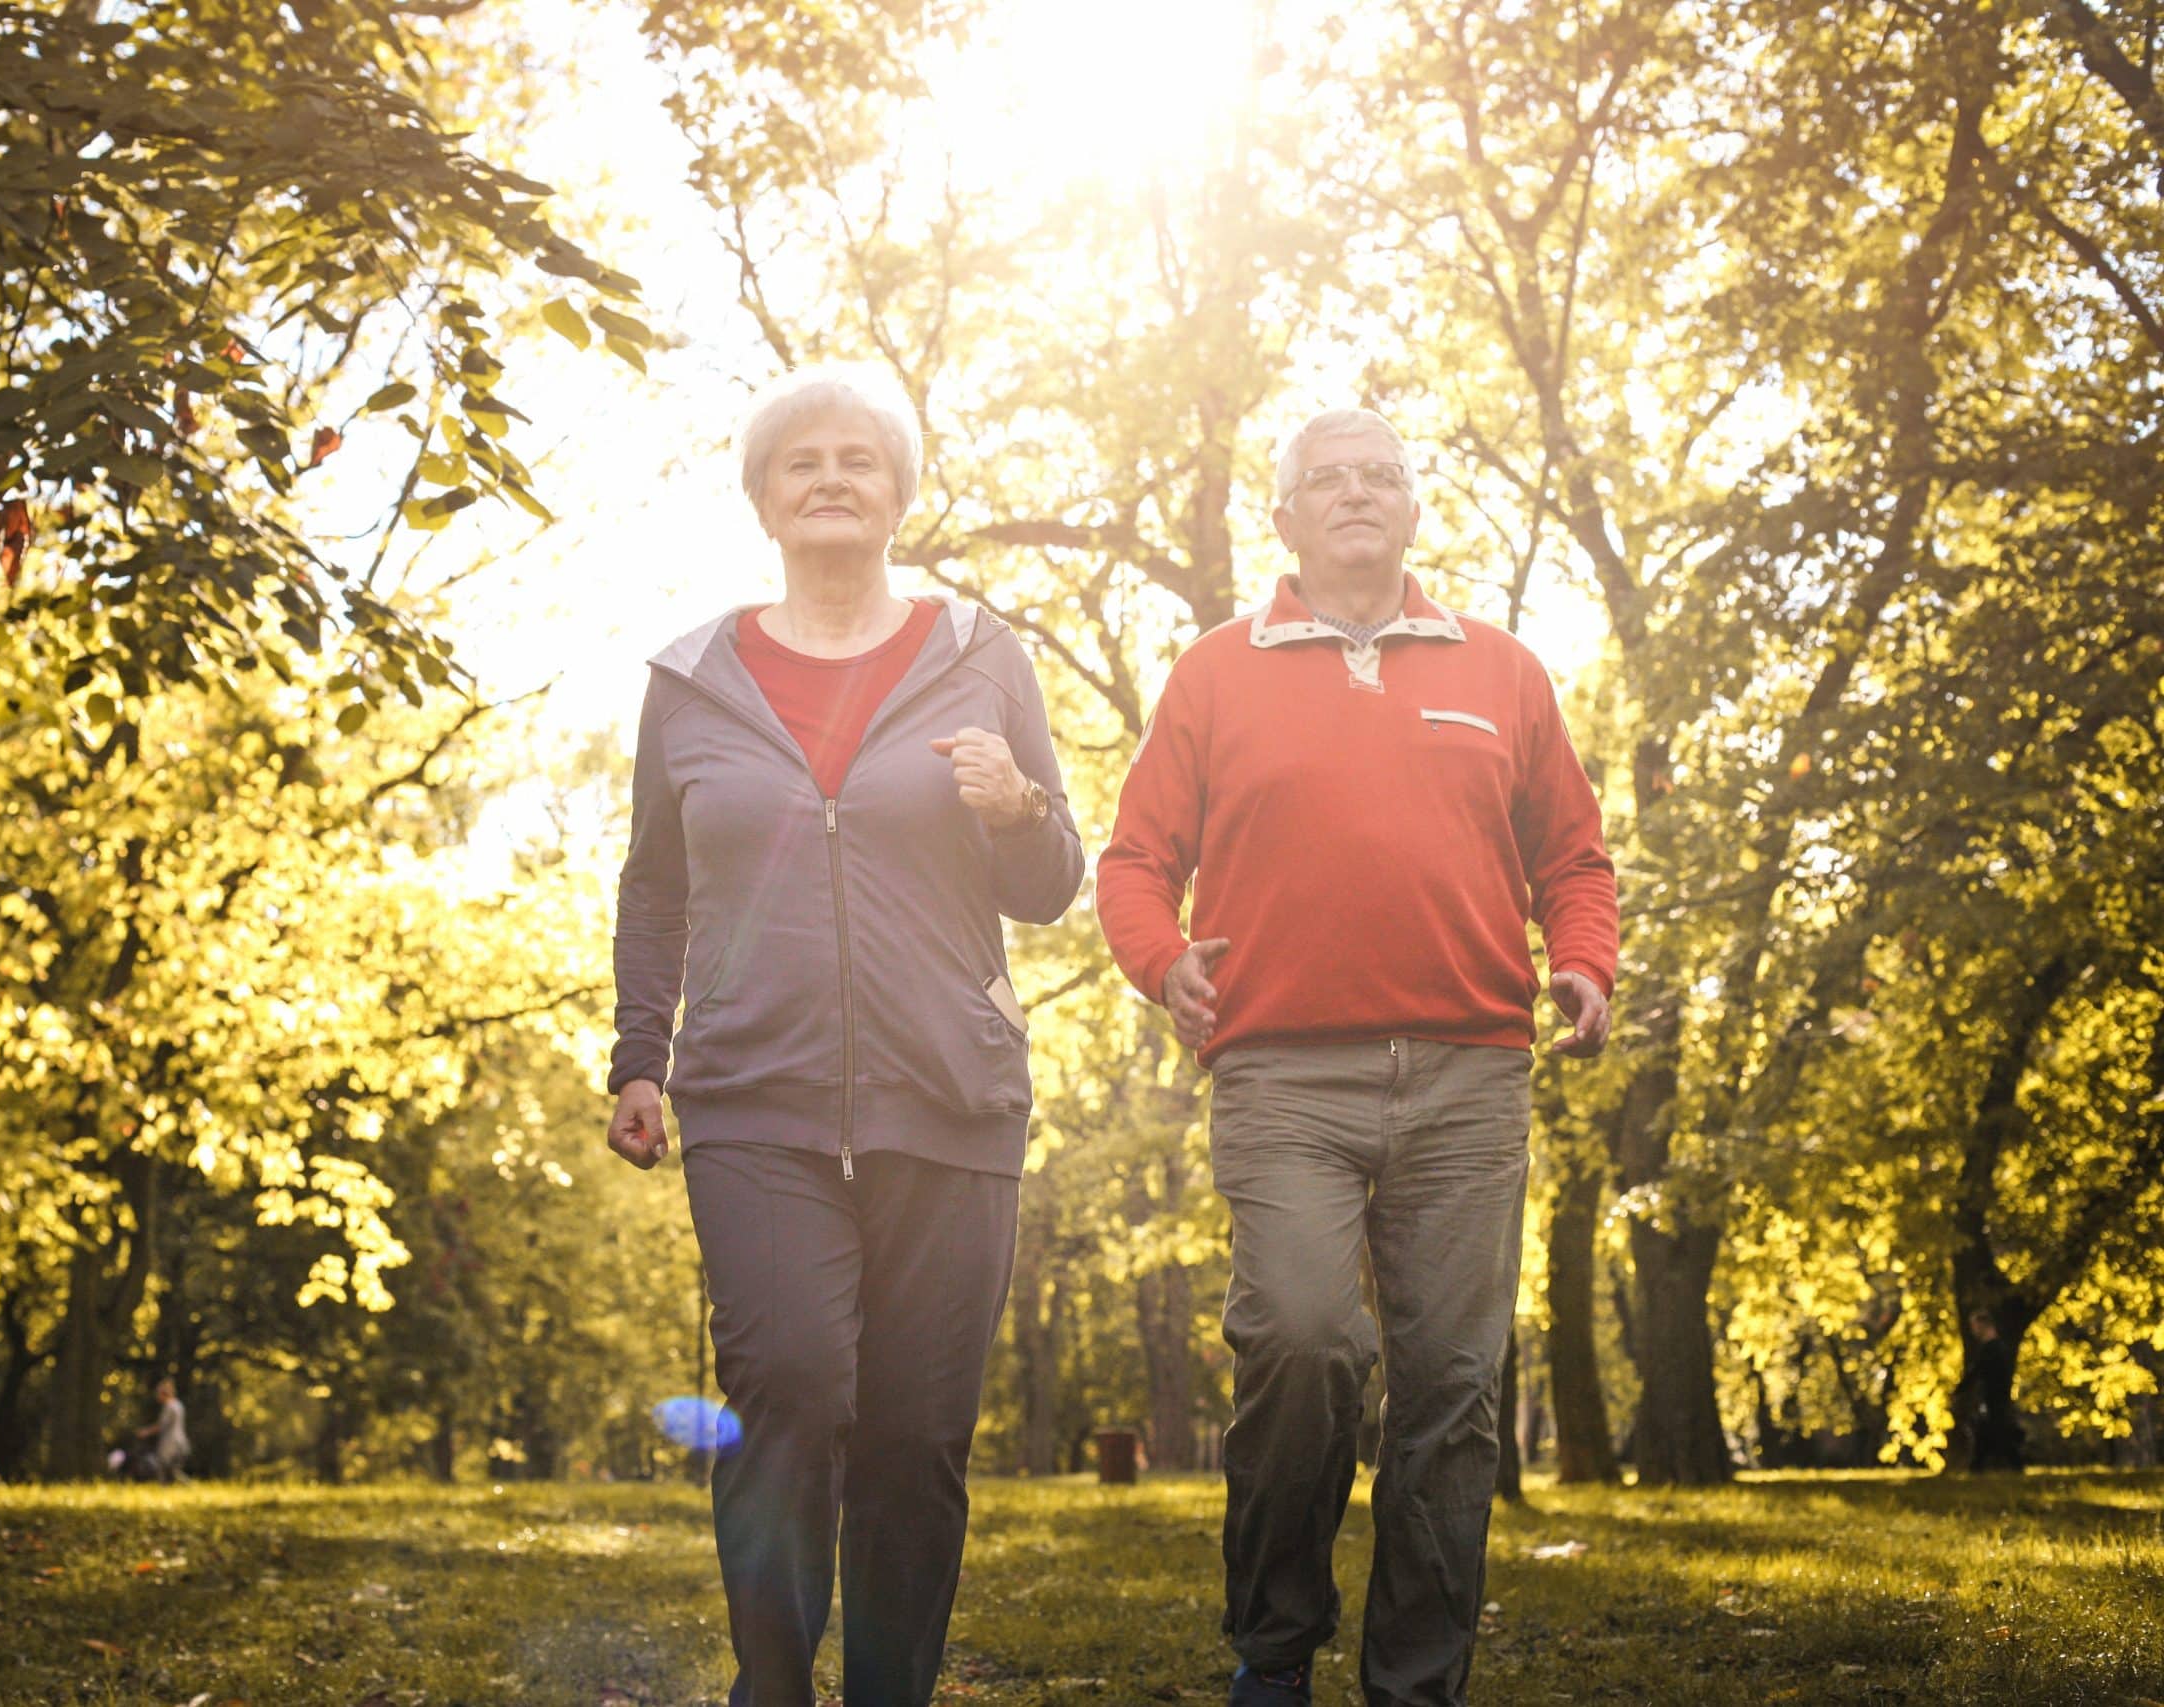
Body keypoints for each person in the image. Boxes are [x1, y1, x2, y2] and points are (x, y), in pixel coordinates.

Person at [1095, 408, 1619, 1707]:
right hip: (1284, 1075)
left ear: (1414, 507)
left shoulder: (1502, 670)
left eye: (1380, 474)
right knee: (1307, 1340)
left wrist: (1584, 961)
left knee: (1451, 1387)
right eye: (1326, 478)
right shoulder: (1216, 671)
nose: (1356, 493)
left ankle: (1415, 1684)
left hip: (1469, 1075)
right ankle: (1274, 1648)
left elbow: (1574, 856)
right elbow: (1133, 861)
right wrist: (1164, 960)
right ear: (1283, 518)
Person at [606, 362, 1084, 1707]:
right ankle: (774, 1682)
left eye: (856, 458)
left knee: (919, 1432)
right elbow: (654, 882)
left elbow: (1051, 884)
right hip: (754, 1088)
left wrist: (1014, 811)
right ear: (763, 495)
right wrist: (640, 1054)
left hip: (951, 1088)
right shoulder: (692, 677)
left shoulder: (981, 653)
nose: (829, 474)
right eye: (800, 458)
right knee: (793, 1380)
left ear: (897, 492)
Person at [122, 1378, 189, 1483]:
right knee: (170, 1469)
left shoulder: (169, 1406)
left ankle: (182, 1486)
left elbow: (161, 1425)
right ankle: (182, 1486)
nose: (157, 1396)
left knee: (164, 1467)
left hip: (171, 1443)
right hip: (180, 1441)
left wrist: (145, 1432)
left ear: (164, 1394)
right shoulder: (178, 1404)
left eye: (158, 1393)